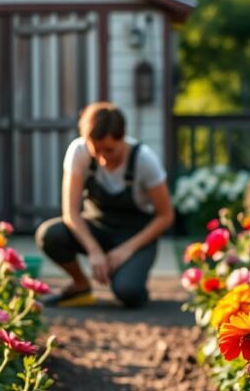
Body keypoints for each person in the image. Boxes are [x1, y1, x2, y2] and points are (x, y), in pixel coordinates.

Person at [35, 101, 174, 308]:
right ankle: (80, 285)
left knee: (128, 292)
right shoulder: (78, 151)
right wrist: (94, 251)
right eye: (95, 150)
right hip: (96, 227)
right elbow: (71, 213)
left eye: (109, 150)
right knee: (50, 234)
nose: (101, 159)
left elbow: (166, 216)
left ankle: (133, 277)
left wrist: (126, 250)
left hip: (134, 234)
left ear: (122, 138)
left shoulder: (144, 160)